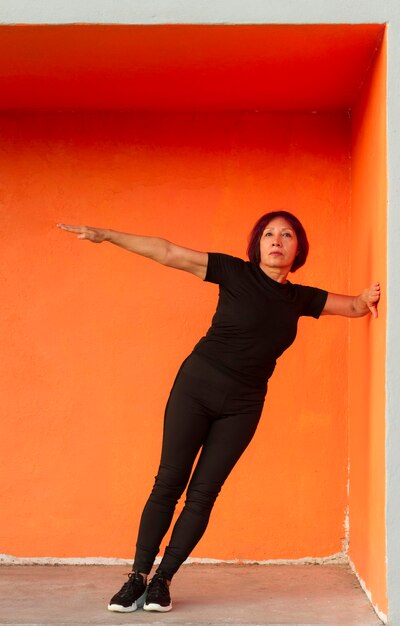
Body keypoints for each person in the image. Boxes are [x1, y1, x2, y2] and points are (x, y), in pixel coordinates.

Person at [57, 211, 380, 613]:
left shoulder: (302, 298)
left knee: (203, 495)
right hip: (196, 388)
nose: (276, 240)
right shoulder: (233, 272)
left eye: (286, 234)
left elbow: (351, 307)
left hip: (243, 406)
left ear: (299, 248)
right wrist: (106, 234)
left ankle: (163, 581)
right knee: (169, 482)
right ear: (257, 244)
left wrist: (366, 299)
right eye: (268, 234)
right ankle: (136, 577)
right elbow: (167, 251)